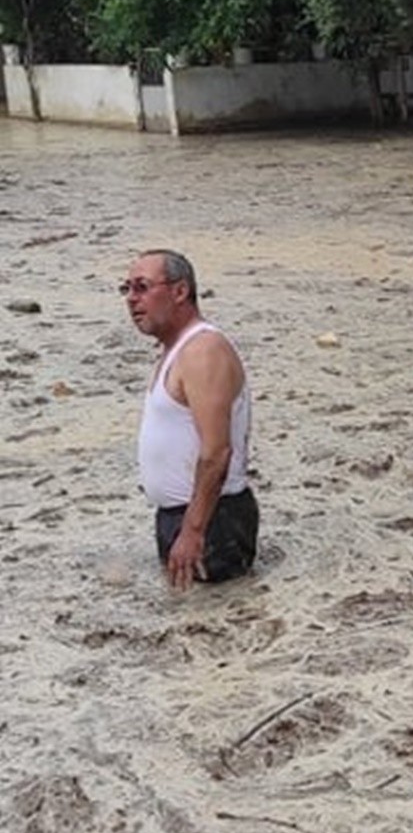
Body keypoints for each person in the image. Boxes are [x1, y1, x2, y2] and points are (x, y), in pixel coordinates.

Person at [122, 249, 258, 590]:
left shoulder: (203, 351)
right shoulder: (176, 350)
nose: (131, 299)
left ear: (180, 292)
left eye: (141, 287)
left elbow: (216, 453)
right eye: (126, 289)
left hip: (213, 520)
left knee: (215, 625)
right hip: (186, 517)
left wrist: (193, 530)